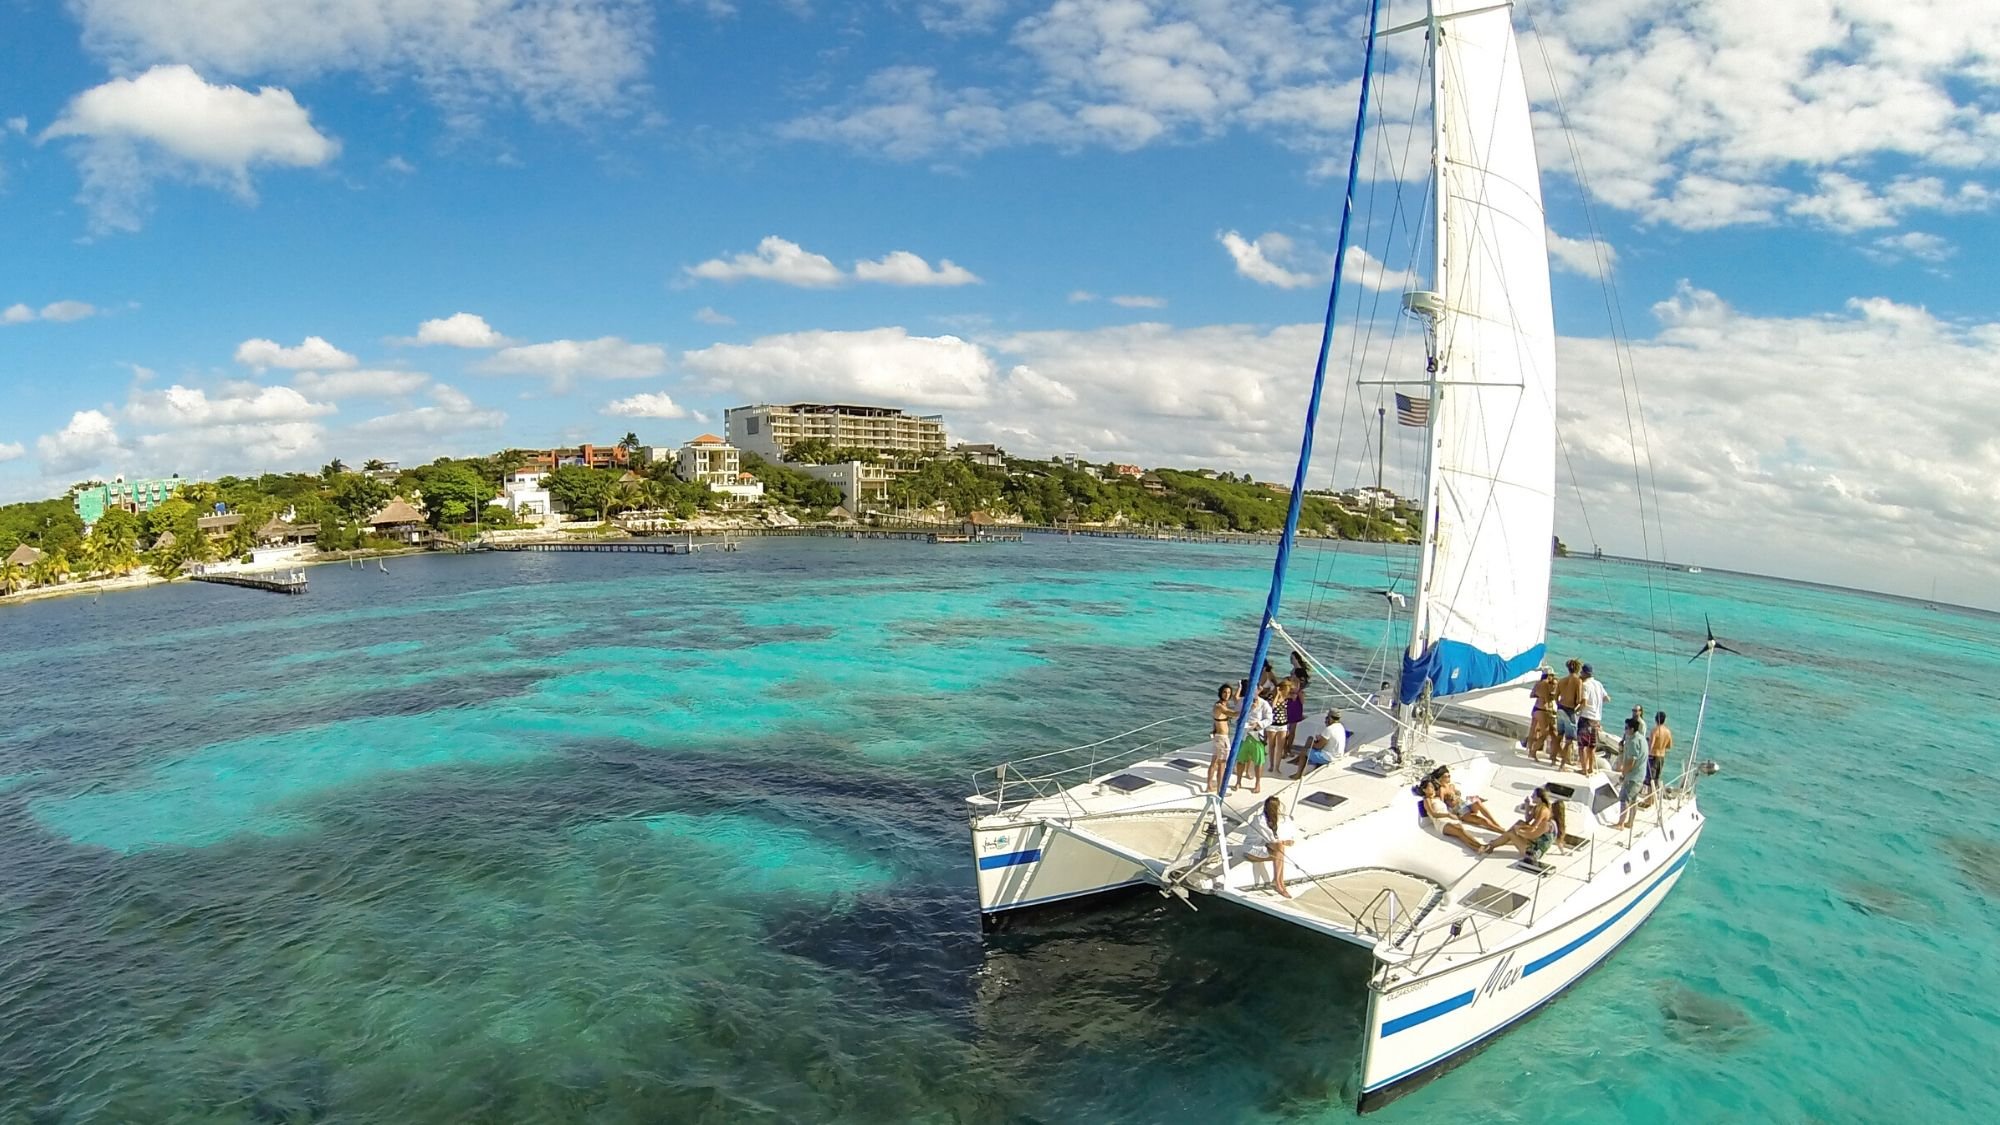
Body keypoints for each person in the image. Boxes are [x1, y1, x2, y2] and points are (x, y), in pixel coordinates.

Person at [1243, 796, 1297, 897]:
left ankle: (1279, 881)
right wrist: (1284, 841)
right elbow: (1271, 839)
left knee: (1280, 849)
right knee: (1280, 849)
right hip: (1251, 850)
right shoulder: (1260, 820)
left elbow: (1275, 840)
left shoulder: (1275, 819)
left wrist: (1285, 841)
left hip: (1264, 847)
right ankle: (1278, 882)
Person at [1416, 779, 1487, 852]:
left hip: (1448, 819)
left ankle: (1478, 848)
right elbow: (1433, 814)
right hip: (1440, 822)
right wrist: (1448, 815)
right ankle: (1481, 846)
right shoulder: (1427, 800)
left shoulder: (1437, 798)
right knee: (1459, 831)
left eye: (1432, 786)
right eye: (1430, 786)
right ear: (1424, 790)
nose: (1432, 787)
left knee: (1462, 831)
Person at [1483, 788, 1557, 858]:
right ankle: (1498, 841)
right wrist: (1527, 805)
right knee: (1520, 822)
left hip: (1534, 852)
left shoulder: (1543, 811)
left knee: (1511, 834)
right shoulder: (1537, 807)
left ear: (1539, 798)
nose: (1531, 796)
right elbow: (1527, 820)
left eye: (1534, 795)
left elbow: (1533, 829)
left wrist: (1518, 831)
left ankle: (1491, 845)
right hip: (1535, 841)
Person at [1433, 768, 1505, 833]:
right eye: (1447, 776)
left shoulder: (1452, 786)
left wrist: (1458, 794)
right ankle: (1502, 831)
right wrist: (1452, 815)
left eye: (1449, 775)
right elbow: (1442, 805)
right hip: (1460, 810)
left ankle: (1495, 823)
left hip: (1463, 804)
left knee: (1476, 800)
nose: (1449, 777)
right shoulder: (1442, 790)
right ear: (1440, 779)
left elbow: (1458, 795)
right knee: (1483, 821)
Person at [1236, 686, 1275, 794]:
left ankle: (1257, 783)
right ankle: (1238, 781)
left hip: (1256, 735)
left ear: (1259, 690)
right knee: (1240, 760)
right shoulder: (1242, 701)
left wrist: (1259, 724)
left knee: (1258, 761)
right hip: (1244, 735)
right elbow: (1236, 716)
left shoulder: (1263, 703)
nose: (1252, 691)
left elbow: (1269, 719)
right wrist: (1249, 709)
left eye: (1255, 689)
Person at [1577, 663, 1611, 775]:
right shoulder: (1599, 684)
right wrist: (1597, 702)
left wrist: (1577, 711)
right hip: (1596, 720)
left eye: (1581, 672)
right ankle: (1590, 768)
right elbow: (1607, 698)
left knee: (1582, 746)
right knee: (1591, 746)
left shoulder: (1585, 685)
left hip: (1586, 718)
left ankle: (1584, 769)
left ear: (1584, 673)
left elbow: (1584, 702)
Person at [1613, 715, 1646, 828]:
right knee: (1634, 800)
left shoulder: (1633, 742)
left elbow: (1631, 761)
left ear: (1632, 729)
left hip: (1632, 776)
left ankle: (1621, 823)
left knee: (1624, 798)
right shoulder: (1642, 739)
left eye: (1626, 728)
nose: (1625, 730)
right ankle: (1630, 822)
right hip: (1640, 775)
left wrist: (1624, 774)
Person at [1205, 682, 1237, 793]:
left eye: (1228, 693)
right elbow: (1231, 713)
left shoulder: (1221, 705)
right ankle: (1220, 789)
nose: (1227, 694)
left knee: (1214, 762)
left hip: (1218, 737)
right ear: (1220, 693)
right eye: (1224, 692)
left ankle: (1209, 786)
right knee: (1222, 764)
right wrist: (1248, 709)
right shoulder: (1219, 706)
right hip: (1222, 738)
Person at [1553, 659, 1583, 769]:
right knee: (1569, 740)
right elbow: (1578, 699)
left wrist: (1559, 705)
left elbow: (1556, 697)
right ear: (1578, 669)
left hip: (1560, 708)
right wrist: (1578, 708)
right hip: (1569, 710)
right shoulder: (1578, 681)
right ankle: (1562, 765)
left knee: (1559, 735)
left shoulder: (1562, 680)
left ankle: (1553, 758)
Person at [1528, 668, 1558, 763]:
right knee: (1545, 733)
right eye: (1552, 675)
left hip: (1535, 708)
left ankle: (1529, 749)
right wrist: (1552, 695)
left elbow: (1532, 695)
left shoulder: (1538, 683)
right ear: (1549, 675)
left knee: (1532, 731)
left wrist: (1539, 695)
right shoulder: (1546, 684)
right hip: (1542, 710)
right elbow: (1547, 699)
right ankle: (1533, 751)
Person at [1647, 710, 1674, 790]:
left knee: (1650, 779)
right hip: (1661, 757)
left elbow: (1651, 746)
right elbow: (1669, 746)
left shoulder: (1655, 730)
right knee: (1656, 779)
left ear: (1656, 719)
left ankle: (1650, 796)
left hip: (1653, 756)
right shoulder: (1668, 732)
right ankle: (1653, 795)